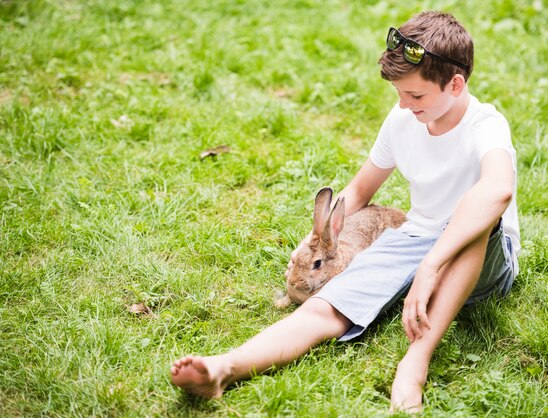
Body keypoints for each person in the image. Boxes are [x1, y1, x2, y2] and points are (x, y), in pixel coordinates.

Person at [170, 10, 519, 412]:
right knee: (324, 306)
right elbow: (359, 190)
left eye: (416, 95)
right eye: (399, 94)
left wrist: (431, 266)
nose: (404, 106)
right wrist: (320, 237)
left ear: (455, 84)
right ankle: (224, 369)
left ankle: (416, 361)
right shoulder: (403, 117)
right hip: (415, 239)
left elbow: (497, 192)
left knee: (479, 217)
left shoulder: (486, 126)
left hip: (483, 259)